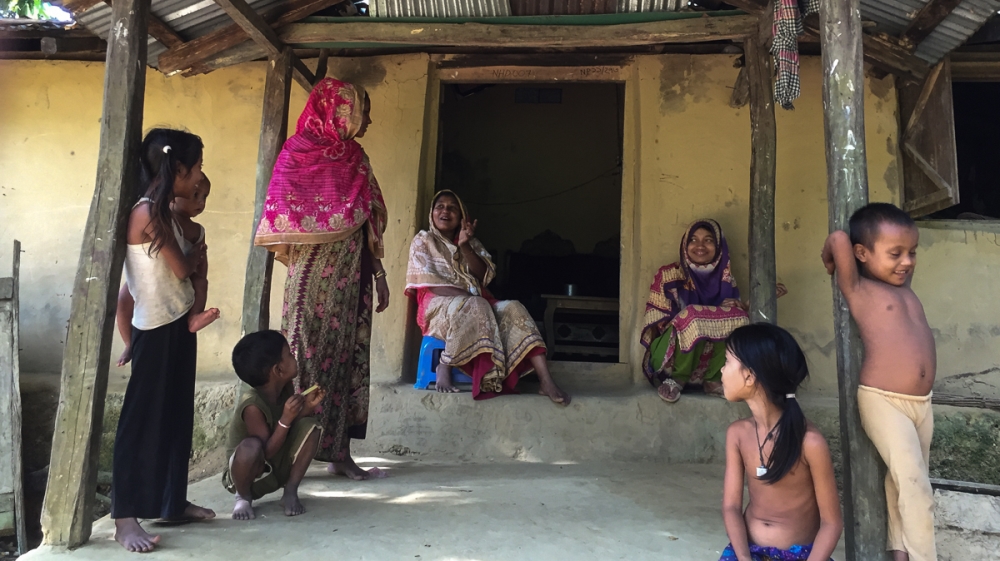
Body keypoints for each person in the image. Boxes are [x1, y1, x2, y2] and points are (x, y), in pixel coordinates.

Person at [255, 78, 390, 481]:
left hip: (351, 283)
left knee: (344, 363)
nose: (366, 120)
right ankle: (288, 455)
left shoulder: (357, 158)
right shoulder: (296, 154)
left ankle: (340, 454)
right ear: (340, 110)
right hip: (309, 286)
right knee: (302, 361)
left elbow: (370, 222)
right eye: (361, 110)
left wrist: (380, 275)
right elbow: (280, 213)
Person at [112, 128, 216, 553]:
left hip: (175, 325)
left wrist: (195, 267)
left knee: (176, 417)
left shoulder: (167, 214)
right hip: (154, 330)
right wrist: (196, 261)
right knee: (140, 424)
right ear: (177, 168)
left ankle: (171, 501)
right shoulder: (146, 215)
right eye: (197, 168)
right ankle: (123, 519)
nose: (198, 178)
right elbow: (179, 269)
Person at [822, 203, 936, 561]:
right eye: (895, 254)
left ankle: (899, 551)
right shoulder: (858, 289)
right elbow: (840, 238)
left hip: (922, 404)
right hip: (882, 400)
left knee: (902, 482)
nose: (907, 262)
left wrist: (895, 258)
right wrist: (831, 256)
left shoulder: (904, 287)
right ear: (862, 254)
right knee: (916, 487)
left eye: (912, 253)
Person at [405, 190, 570, 404]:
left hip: (478, 301)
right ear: (432, 213)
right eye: (440, 206)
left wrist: (464, 245)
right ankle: (445, 363)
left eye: (452, 207)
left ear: (461, 216)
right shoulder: (423, 240)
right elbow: (430, 285)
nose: (446, 211)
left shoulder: (471, 243)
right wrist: (469, 297)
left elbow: (484, 277)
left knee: (514, 308)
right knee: (476, 305)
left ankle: (546, 380)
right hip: (437, 305)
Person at [719, 324, 843, 561]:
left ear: (749, 376)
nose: (721, 371)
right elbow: (731, 508)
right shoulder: (737, 434)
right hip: (748, 552)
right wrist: (744, 558)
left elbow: (832, 523)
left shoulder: (810, 443)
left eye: (726, 362)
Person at [641, 219, 788, 403]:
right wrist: (695, 319)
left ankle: (713, 380)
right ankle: (678, 378)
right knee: (692, 315)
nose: (700, 246)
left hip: (707, 360)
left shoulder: (725, 279)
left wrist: (749, 304)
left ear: (719, 246)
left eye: (708, 240)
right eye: (693, 240)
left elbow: (733, 321)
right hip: (669, 357)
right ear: (685, 245)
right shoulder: (668, 274)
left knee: (738, 317)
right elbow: (658, 321)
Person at [116, 175, 220, 366]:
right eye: (195, 194)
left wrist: (200, 272)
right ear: (174, 194)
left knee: (201, 284)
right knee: (124, 297)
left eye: (205, 197)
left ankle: (195, 316)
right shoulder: (162, 218)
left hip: (185, 282)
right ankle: (129, 343)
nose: (200, 202)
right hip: (153, 281)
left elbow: (201, 259)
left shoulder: (198, 229)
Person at [224, 330, 325, 520]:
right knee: (250, 446)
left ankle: (290, 491)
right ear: (278, 370)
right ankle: (243, 498)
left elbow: (288, 428)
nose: (294, 357)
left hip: (275, 467)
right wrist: (286, 419)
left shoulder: (286, 387)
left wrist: (305, 409)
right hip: (248, 476)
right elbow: (265, 453)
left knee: (311, 426)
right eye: (289, 354)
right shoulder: (252, 404)